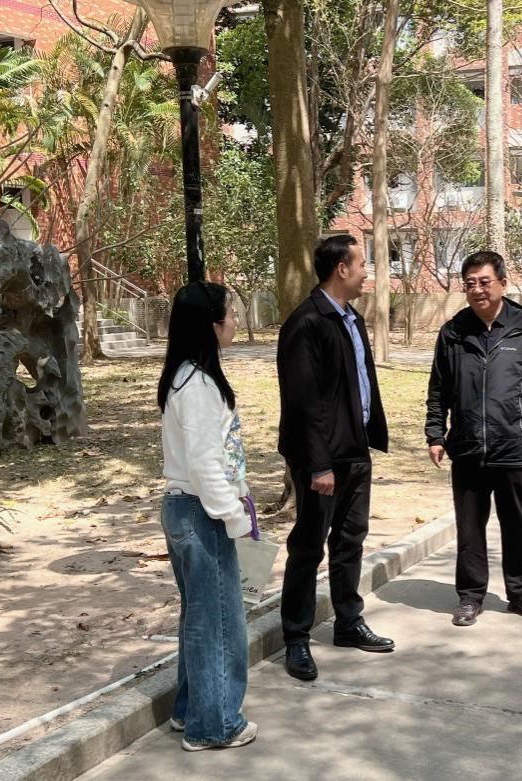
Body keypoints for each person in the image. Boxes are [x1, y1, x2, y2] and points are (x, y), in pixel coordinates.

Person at [425, 250, 522, 627]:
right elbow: (438, 389)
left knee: (516, 525)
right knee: (470, 529)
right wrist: (435, 433)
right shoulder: (453, 332)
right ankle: (470, 596)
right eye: (470, 283)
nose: (477, 290)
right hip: (468, 447)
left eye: (484, 282)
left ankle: (521, 594)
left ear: (502, 283)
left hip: (515, 445)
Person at [277, 235, 393, 681]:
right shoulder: (306, 323)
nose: (366, 273)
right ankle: (296, 637)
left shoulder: (351, 318)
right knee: (308, 546)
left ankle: (348, 622)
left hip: (354, 449)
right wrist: (319, 464)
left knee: (350, 541)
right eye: (362, 264)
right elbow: (302, 402)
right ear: (341, 269)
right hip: (321, 460)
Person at [157, 282, 257, 751]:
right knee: (218, 621)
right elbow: (203, 463)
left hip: (190, 510)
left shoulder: (187, 376)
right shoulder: (196, 384)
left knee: (200, 617)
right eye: (230, 314)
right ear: (211, 324)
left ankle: (190, 709)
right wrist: (233, 515)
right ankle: (214, 725)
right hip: (202, 513)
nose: (235, 321)